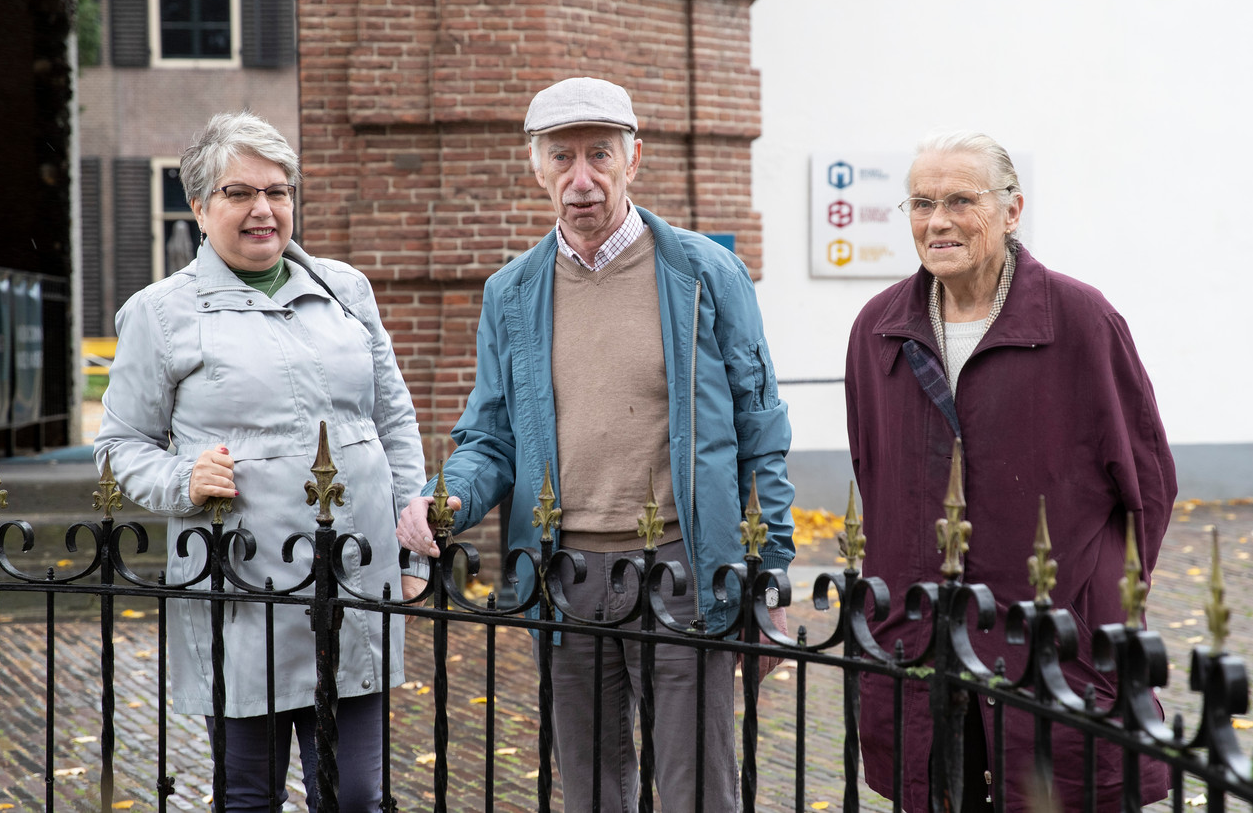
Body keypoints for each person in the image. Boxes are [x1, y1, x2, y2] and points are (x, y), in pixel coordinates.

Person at [395, 76, 795, 813]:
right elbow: (490, 434)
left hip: (683, 568)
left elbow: (761, 430)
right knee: (587, 790)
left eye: (600, 155)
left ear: (633, 158)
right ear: (536, 167)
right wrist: (450, 494)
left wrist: (767, 575)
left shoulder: (706, 274)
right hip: (565, 573)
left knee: (696, 790)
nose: (582, 179)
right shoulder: (511, 293)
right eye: (562, 157)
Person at [95, 110, 428, 812]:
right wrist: (182, 479)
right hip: (242, 586)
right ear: (198, 206)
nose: (263, 210)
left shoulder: (347, 290)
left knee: (358, 796)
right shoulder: (160, 314)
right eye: (239, 193)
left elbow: (391, 418)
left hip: (354, 581)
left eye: (277, 191)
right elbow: (121, 443)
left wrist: (412, 546)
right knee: (248, 795)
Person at [843, 131, 1175, 812]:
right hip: (921, 630)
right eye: (922, 202)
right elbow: (870, 468)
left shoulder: (1080, 319)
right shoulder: (879, 328)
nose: (938, 221)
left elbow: (1147, 480)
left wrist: (1103, 599)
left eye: (962, 200)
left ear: (1012, 209)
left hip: (1050, 634)